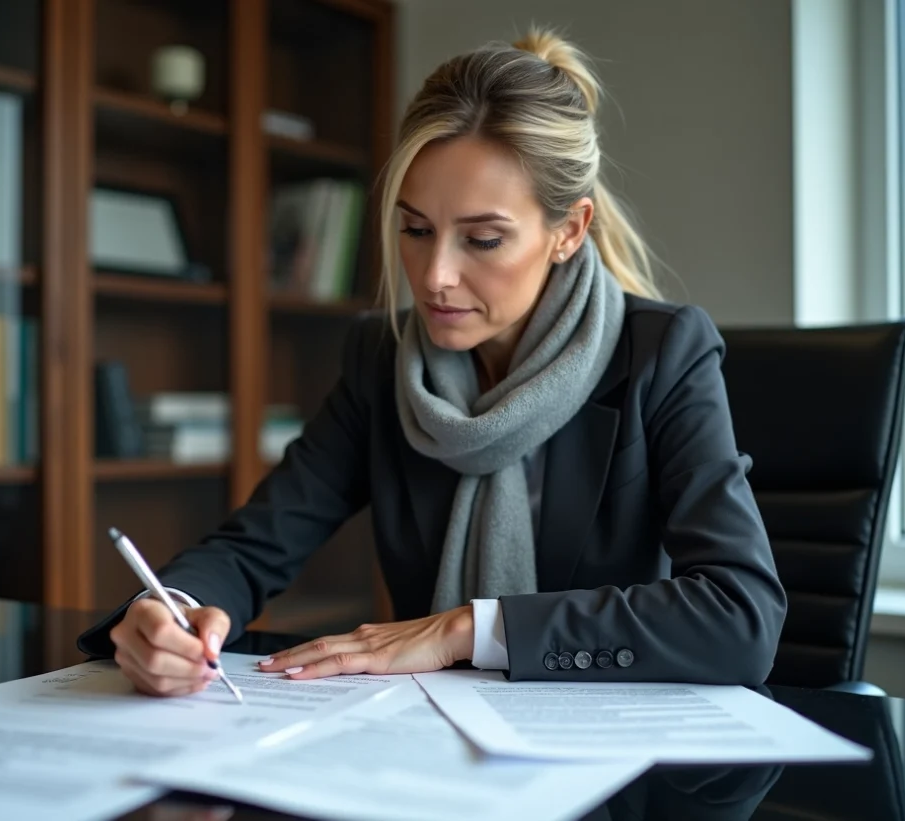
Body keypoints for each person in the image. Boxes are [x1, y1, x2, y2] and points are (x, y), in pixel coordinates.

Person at [77, 28, 787, 697]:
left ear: (568, 230)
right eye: (415, 229)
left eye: (482, 239)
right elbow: (254, 545)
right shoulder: (381, 358)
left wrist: (467, 629)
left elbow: (740, 615)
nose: (434, 274)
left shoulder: (662, 355)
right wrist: (168, 609)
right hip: (426, 750)